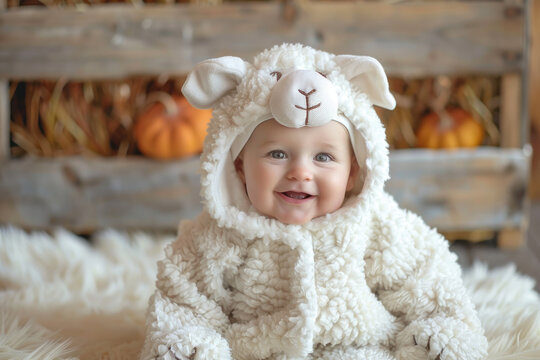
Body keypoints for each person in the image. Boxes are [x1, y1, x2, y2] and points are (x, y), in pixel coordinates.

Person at [140, 43, 488, 360]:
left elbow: (429, 279)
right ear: (239, 167)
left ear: (352, 173)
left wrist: (445, 332)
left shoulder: (373, 224)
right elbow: (183, 299)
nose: (300, 172)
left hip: (359, 347)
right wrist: (189, 342)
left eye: (323, 158)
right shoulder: (220, 234)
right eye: (277, 153)